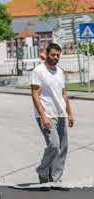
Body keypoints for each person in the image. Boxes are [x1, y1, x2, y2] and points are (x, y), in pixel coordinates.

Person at [30, 42, 74, 190]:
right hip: (46, 114)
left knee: (63, 147)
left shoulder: (60, 72)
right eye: (53, 54)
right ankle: (43, 171)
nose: (55, 57)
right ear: (47, 54)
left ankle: (56, 180)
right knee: (54, 145)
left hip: (61, 114)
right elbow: (35, 95)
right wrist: (43, 116)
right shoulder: (38, 71)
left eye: (57, 55)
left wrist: (70, 114)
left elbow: (63, 94)